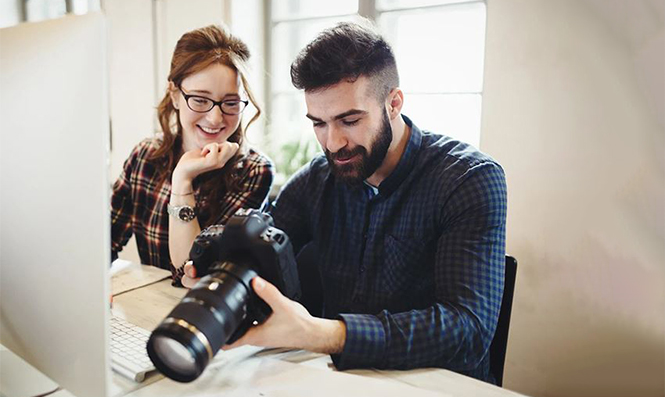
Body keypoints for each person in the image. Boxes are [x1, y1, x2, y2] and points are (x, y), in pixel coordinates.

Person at [184, 20, 507, 383]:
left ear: (394, 102)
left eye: (349, 120)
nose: (333, 142)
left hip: (436, 386)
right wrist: (218, 265)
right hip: (337, 380)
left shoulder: (469, 180)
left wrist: (321, 333)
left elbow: (468, 329)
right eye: (318, 123)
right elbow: (259, 241)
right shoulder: (318, 178)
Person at [112, 25, 274, 284]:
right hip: (149, 308)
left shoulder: (255, 171)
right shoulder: (144, 157)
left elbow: (194, 275)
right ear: (175, 95)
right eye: (200, 99)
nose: (215, 118)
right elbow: (103, 246)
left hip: (208, 313)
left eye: (231, 103)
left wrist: (182, 180)